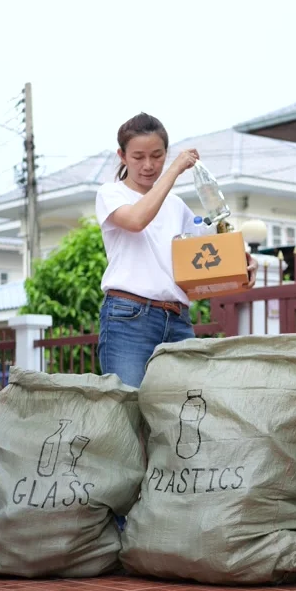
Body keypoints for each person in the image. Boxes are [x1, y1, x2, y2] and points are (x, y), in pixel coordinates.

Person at [96, 112, 258, 388]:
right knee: (127, 410)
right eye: (138, 157)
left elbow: (204, 255)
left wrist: (242, 262)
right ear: (122, 156)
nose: (148, 165)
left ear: (165, 153)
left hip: (177, 318)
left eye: (157, 156)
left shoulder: (176, 205)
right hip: (128, 316)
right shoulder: (111, 194)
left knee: (190, 409)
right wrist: (174, 169)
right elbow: (136, 220)